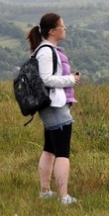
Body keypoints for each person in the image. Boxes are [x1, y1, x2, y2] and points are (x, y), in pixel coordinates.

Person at [26, 13, 81, 205]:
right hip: (55, 107)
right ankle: (63, 196)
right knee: (63, 153)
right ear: (52, 31)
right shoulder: (47, 51)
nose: (65, 29)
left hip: (51, 105)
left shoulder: (44, 50)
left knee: (49, 149)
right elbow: (46, 79)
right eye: (62, 26)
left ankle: (45, 191)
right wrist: (70, 80)